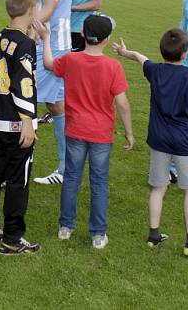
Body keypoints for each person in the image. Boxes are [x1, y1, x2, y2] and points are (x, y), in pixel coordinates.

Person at [113, 29, 188, 258]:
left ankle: (154, 235)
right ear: (185, 54)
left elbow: (140, 58)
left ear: (162, 51)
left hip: (158, 139)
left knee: (158, 188)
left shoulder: (156, 71)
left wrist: (124, 52)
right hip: (183, 141)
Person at [36, 14, 134, 250]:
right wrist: (130, 132)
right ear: (107, 39)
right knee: (99, 181)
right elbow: (123, 103)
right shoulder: (113, 66)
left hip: (75, 130)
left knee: (71, 178)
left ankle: (65, 227)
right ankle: (98, 234)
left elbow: (49, 63)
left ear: (82, 34)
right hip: (101, 134)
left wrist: (46, 38)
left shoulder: (71, 60)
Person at [0, 0, 40, 255]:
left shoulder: (1, 35)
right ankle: (13, 238)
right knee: (18, 180)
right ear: (31, 9)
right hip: (17, 124)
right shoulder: (25, 42)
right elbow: (23, 83)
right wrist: (27, 121)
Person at [24, 0, 74, 187]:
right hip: (43, 41)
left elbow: (50, 6)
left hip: (52, 46)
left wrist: (29, 32)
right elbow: (36, 2)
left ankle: (15, 169)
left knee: (23, 101)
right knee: (56, 105)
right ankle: (67, 168)